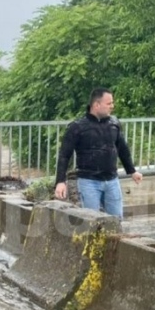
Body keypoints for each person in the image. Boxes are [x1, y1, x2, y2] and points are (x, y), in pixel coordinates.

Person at [54, 87, 143, 218]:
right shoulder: (77, 127)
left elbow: (122, 149)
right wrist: (60, 181)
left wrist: (132, 171)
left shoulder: (114, 123)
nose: (112, 106)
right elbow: (64, 155)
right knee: (91, 221)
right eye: (109, 103)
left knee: (116, 220)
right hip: (89, 182)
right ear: (96, 104)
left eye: (112, 103)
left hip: (112, 180)